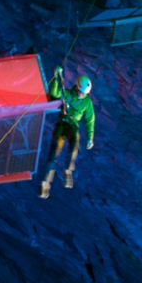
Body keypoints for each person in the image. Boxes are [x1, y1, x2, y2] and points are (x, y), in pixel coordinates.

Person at [39, 65, 95, 199]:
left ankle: (68, 171)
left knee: (74, 141)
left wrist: (90, 138)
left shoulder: (87, 103)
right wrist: (56, 76)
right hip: (62, 123)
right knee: (54, 152)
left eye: (84, 93)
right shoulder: (68, 94)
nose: (81, 94)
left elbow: (89, 120)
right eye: (81, 91)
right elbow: (54, 93)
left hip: (73, 125)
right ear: (76, 87)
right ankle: (45, 183)